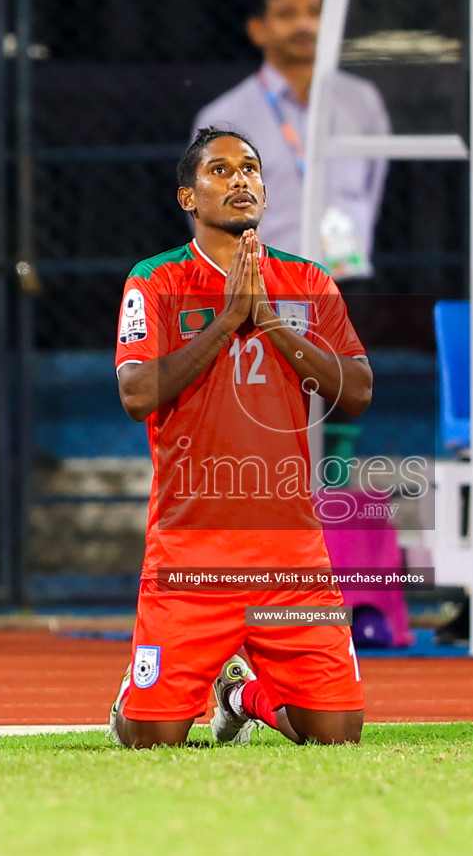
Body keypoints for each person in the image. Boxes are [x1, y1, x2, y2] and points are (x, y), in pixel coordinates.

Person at [108, 127, 372, 748]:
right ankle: (139, 694)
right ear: (188, 198)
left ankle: (238, 694)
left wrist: (271, 324)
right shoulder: (154, 280)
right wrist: (229, 319)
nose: (239, 180)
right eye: (219, 171)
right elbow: (137, 395)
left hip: (291, 549)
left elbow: (356, 392)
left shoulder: (307, 280)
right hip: (191, 548)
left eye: (250, 169)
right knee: (152, 740)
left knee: (337, 734)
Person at [192, 0, 389, 283]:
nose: (304, 25)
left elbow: (373, 190)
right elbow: (210, 217)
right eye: (286, 15)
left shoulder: (362, 100)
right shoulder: (225, 117)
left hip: (347, 282)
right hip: (263, 285)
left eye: (315, 12)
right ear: (257, 30)